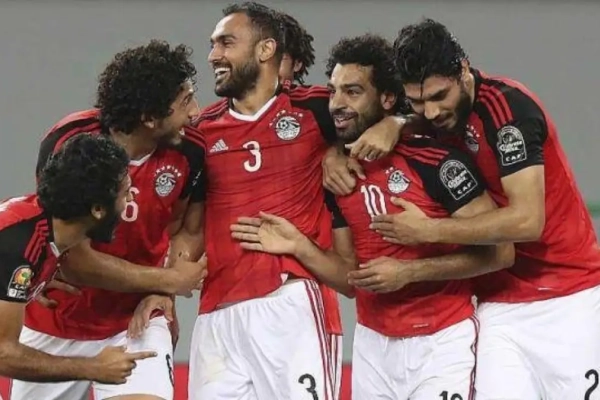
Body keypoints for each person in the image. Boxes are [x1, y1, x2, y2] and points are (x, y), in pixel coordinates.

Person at [231, 33, 514, 400]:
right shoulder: (337, 176)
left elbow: (501, 253)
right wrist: (299, 246)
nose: (337, 104)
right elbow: (351, 280)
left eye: (352, 92)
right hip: (372, 346)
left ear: (387, 99)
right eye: (333, 92)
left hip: (442, 341)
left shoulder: (438, 162)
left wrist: (410, 271)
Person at [364, 19, 600, 400]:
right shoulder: (428, 116)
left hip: (569, 295)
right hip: (498, 305)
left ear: (463, 69)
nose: (431, 111)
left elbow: (527, 221)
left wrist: (430, 230)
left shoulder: (508, 111)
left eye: (439, 96)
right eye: (418, 102)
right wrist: (396, 122)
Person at [190, 3, 404, 399]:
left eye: (226, 43)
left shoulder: (316, 108)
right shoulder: (201, 130)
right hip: (217, 313)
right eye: (213, 44)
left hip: (291, 303)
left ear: (265, 49)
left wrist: (395, 123)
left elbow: (388, 110)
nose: (213, 55)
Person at [11, 40, 206, 400]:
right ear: (149, 117)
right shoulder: (70, 143)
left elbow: (183, 228)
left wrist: (161, 291)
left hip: (136, 321)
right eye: (185, 102)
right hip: (59, 320)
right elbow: (73, 256)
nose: (196, 112)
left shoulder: (191, 151)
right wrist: (169, 279)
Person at [0, 133, 159, 394]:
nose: (131, 201)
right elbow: (3, 353)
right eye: (126, 193)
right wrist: (93, 367)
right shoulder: (18, 247)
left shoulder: (35, 229)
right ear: (98, 209)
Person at [277, 11, 344, 398]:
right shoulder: (215, 123)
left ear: (297, 64)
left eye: (278, 57)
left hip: (304, 293)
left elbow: (384, 111)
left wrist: (337, 149)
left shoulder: (320, 108)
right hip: (231, 306)